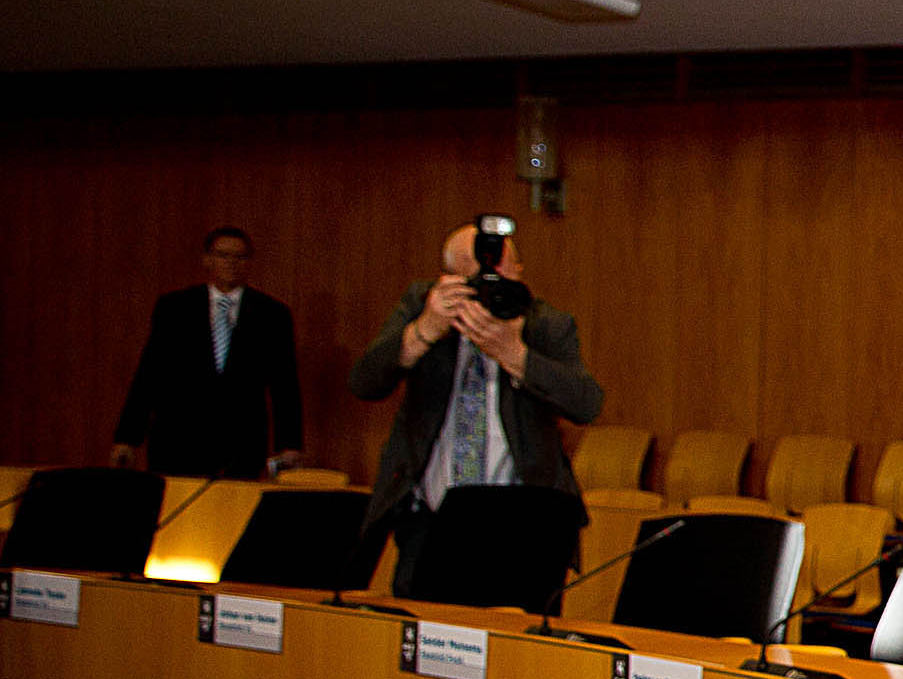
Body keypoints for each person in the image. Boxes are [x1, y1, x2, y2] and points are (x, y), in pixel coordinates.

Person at [349, 223, 605, 594]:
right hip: (430, 522)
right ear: (448, 279)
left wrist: (514, 355)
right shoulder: (422, 309)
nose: (489, 286)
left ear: (519, 271)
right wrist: (423, 332)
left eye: (500, 271)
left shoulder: (545, 324)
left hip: (523, 527)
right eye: (474, 276)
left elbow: (587, 404)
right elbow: (364, 383)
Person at [111, 224, 305, 478]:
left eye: (239, 257)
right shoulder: (175, 308)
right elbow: (149, 375)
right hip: (177, 438)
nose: (231, 263)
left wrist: (290, 444)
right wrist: (127, 438)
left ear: (249, 262)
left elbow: (285, 384)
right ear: (207, 259)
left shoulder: (272, 314)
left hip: (240, 444)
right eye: (223, 255)